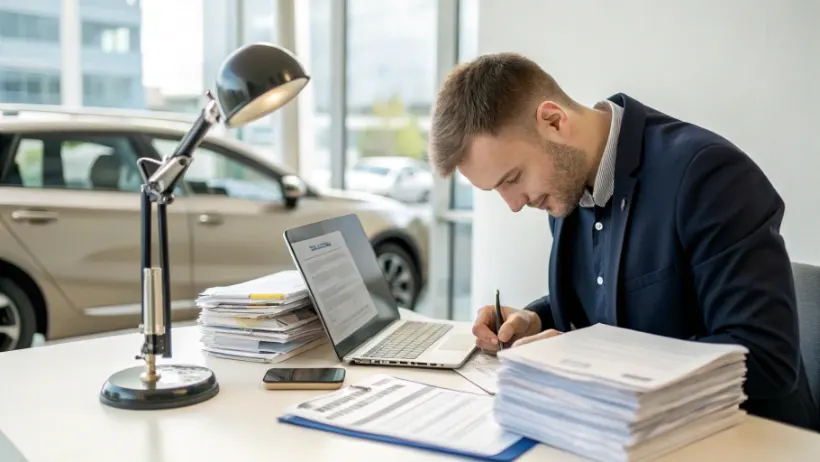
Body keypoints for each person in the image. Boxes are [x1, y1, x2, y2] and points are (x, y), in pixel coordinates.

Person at [427, 52, 819, 431]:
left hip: (745, 439)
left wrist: (586, 359)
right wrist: (536, 320)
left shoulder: (708, 174)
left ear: (553, 121)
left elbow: (766, 359)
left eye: (512, 179)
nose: (514, 204)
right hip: (624, 434)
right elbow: (615, 303)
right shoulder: (568, 183)